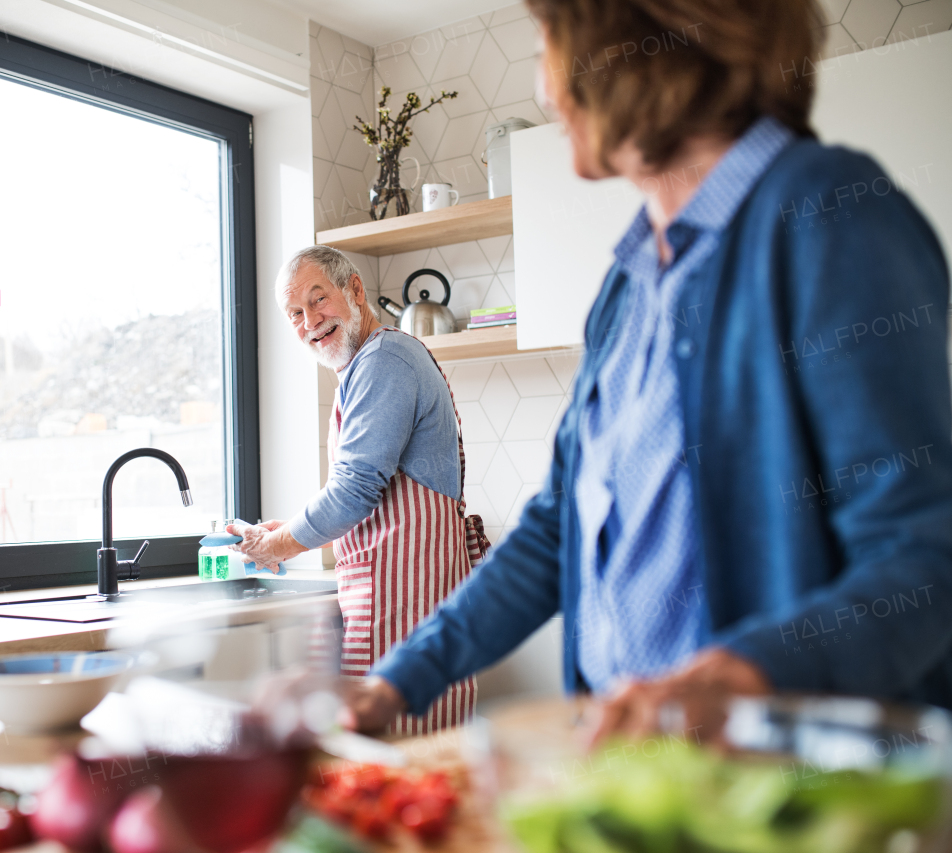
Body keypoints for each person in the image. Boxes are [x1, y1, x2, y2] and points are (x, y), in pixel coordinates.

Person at [343, 0, 952, 742]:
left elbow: (924, 560)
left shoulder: (826, 214)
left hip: (780, 796)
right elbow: (555, 531)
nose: (544, 88)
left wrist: (741, 678)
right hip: (635, 779)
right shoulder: (627, 286)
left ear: (637, 42)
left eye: (548, 45)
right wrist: (395, 680)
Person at [231, 245, 491, 734]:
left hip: (405, 611)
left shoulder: (385, 359)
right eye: (295, 314)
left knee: (401, 763)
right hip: (399, 604)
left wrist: (277, 544)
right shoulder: (364, 367)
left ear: (354, 289)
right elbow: (377, 508)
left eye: (318, 299)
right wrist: (285, 531)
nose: (310, 320)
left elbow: (354, 491)